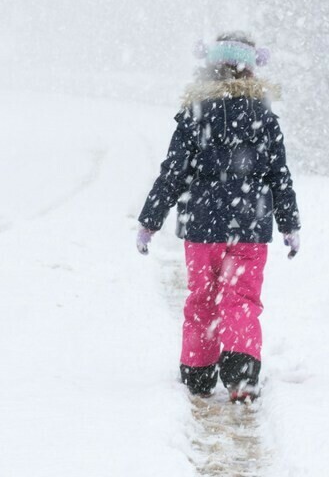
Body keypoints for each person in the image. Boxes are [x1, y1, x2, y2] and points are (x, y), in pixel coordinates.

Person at [135, 31, 300, 403]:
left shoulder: (195, 115)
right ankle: (242, 376)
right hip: (250, 226)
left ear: (208, 67)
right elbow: (280, 176)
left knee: (202, 299)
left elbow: (173, 173)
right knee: (241, 299)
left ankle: (197, 374)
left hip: (202, 226)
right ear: (252, 71)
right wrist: (290, 224)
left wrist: (150, 220)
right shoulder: (264, 118)